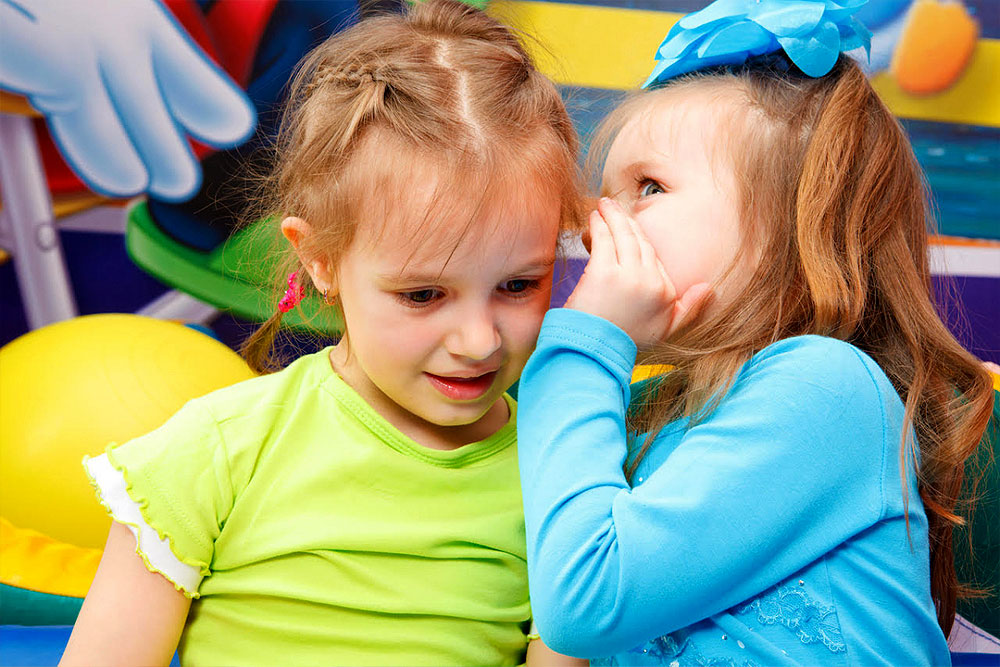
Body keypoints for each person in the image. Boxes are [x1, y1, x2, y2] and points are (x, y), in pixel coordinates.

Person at [60, 1, 585, 664]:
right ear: (320, 260)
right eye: (423, 294)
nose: (478, 340)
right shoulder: (219, 451)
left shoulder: (561, 478)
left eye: (519, 284)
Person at [515, 1, 995, 665]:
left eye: (647, 187)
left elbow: (582, 602)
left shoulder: (828, 388)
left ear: (786, 231)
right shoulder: (652, 416)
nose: (600, 223)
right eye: (604, 194)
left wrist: (581, 344)